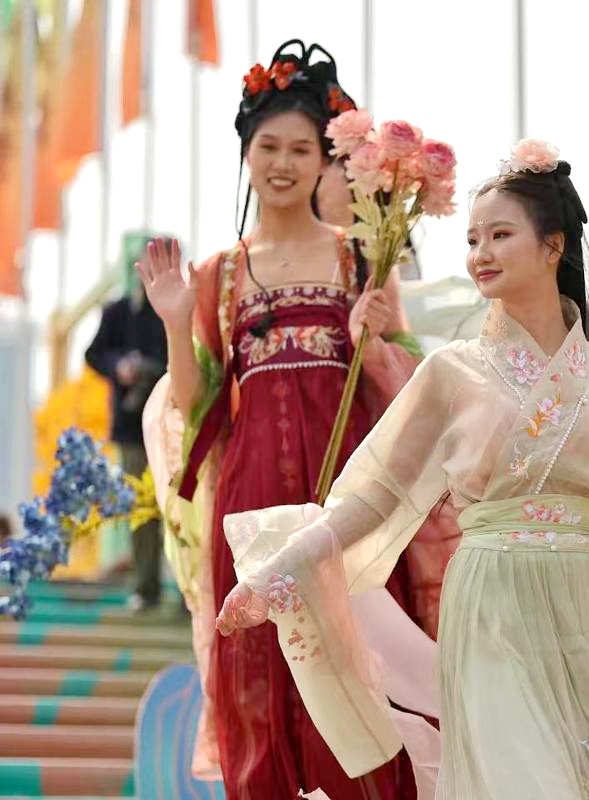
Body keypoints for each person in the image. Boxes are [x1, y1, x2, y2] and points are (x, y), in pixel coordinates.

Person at [214, 139, 589, 799]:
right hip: (493, 603)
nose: (479, 253)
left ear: (553, 246)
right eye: (472, 239)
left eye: (500, 235)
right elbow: (376, 496)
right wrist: (282, 565)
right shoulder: (451, 372)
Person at [137, 39, 449, 799]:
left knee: (358, 669)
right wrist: (175, 321)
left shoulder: (360, 260)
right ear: (246, 154)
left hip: (346, 500)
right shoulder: (219, 274)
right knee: (262, 677)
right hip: (250, 503)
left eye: (300, 149)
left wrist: (378, 340)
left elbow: (411, 388)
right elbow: (196, 405)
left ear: (322, 163)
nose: (282, 162)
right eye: (268, 146)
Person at [85, 268, 168, 610]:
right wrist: (120, 366)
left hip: (172, 423)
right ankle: (146, 587)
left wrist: (152, 369)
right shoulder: (117, 311)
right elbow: (93, 354)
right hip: (132, 428)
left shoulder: (173, 308)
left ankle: (187, 594)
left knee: (177, 506)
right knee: (139, 507)